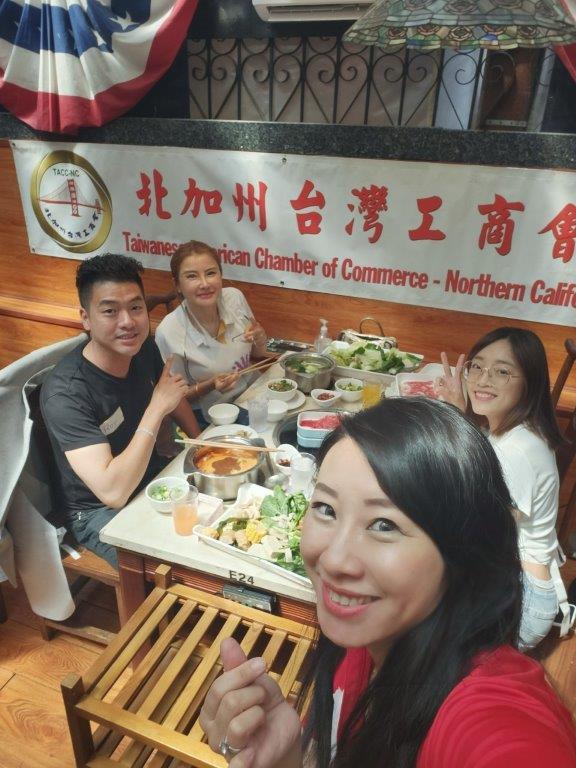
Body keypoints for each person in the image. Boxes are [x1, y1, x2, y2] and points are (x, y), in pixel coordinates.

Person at [199, 399, 576, 768]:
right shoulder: (367, 639)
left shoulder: (487, 718)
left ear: (463, 553)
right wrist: (285, 759)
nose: (333, 560)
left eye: (384, 525)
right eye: (327, 509)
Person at [40, 253, 201, 568]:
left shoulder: (142, 348)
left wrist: (201, 446)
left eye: (135, 307)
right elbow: (112, 492)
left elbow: (171, 393)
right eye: (110, 311)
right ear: (86, 318)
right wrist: (156, 409)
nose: (127, 322)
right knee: (178, 565)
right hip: (97, 510)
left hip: (151, 475)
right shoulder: (66, 394)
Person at [435, 327, 571, 649]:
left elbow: (487, 533)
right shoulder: (507, 430)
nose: (483, 380)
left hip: (522, 604)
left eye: (502, 372)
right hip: (512, 582)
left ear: (529, 383)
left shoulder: (518, 450)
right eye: (477, 367)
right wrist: (458, 410)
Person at [154, 240, 268, 425]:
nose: (205, 284)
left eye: (211, 273)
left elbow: (258, 354)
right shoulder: (168, 331)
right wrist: (210, 385)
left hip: (250, 393)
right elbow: (175, 400)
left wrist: (260, 338)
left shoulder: (234, 298)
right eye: (192, 276)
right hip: (211, 413)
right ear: (177, 284)